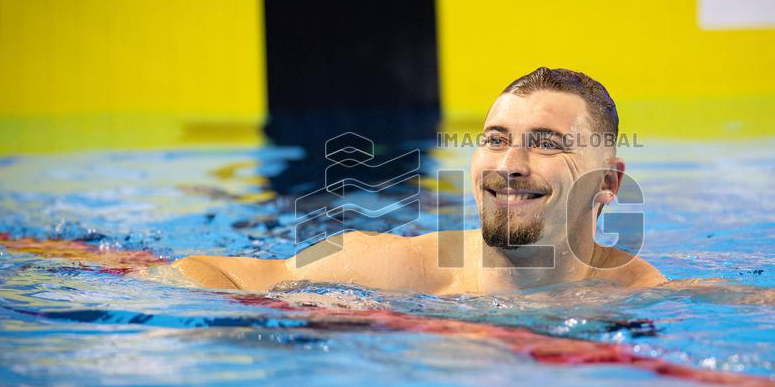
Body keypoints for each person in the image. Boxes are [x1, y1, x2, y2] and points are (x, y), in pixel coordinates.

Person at [172, 67, 666, 294]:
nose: (509, 164)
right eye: (495, 140)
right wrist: (277, 330)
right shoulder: (390, 269)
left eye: (547, 144)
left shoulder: (644, 297)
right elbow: (198, 269)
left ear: (608, 181)